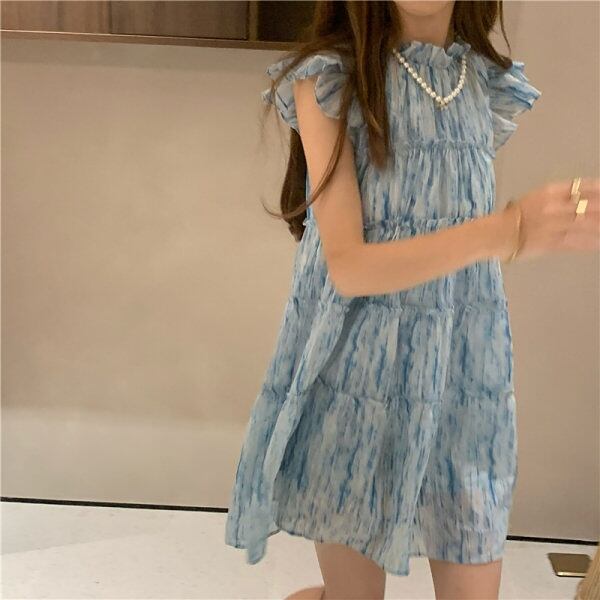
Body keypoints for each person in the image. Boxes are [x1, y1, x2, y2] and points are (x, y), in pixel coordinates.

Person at [224, 1, 600, 599]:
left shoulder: (485, 81)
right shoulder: (329, 78)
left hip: (463, 381)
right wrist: (509, 231)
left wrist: (518, 232)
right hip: (357, 381)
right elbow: (348, 266)